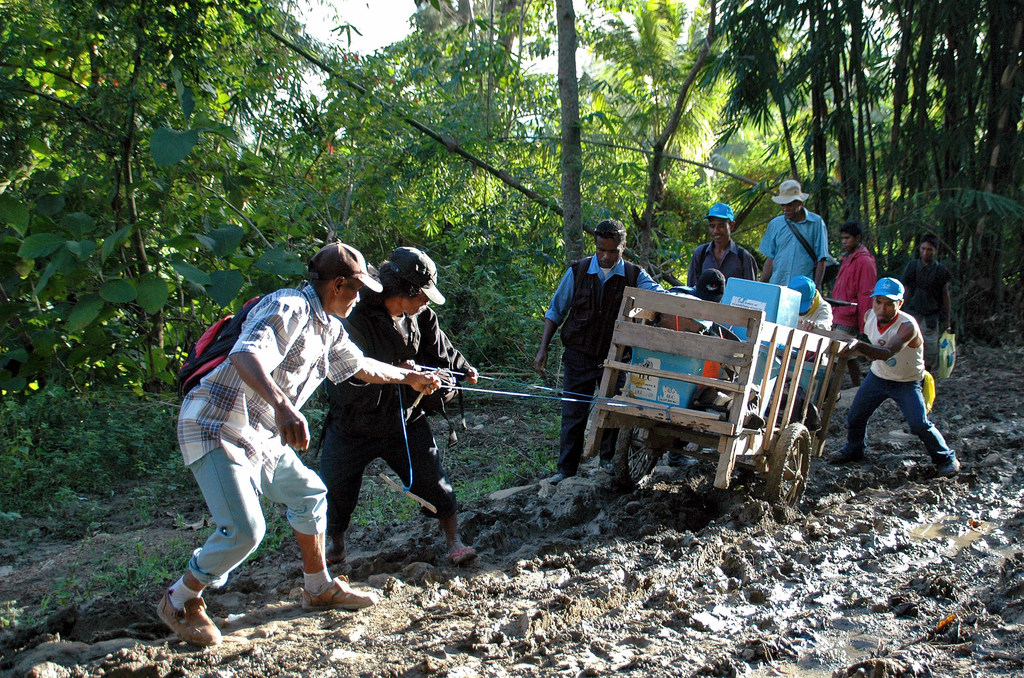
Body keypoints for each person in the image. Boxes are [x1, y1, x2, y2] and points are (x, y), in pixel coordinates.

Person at [158, 242, 442, 648]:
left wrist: (408, 378)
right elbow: (246, 355)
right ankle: (180, 599)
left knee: (310, 495)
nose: (361, 297)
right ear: (337, 284)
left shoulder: (328, 326)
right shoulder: (288, 307)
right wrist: (285, 407)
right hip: (217, 424)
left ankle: (317, 586)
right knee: (244, 530)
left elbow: (359, 366)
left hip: (261, 434)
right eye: (356, 289)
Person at [320, 247, 479, 567]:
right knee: (335, 488)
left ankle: (454, 540)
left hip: (404, 419)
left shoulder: (424, 317)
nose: (426, 302)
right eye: (422, 295)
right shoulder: (356, 317)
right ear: (404, 291)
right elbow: (346, 377)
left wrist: (461, 370)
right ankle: (335, 543)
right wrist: (405, 374)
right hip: (354, 422)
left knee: (435, 481)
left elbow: (443, 352)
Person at [534, 219, 663, 484]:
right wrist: (543, 348)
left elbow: (659, 296)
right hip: (579, 353)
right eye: (600, 250)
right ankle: (566, 470)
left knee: (612, 409)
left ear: (623, 248)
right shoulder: (578, 271)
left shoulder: (634, 275)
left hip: (615, 357)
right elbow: (556, 310)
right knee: (573, 412)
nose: (605, 256)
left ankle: (607, 460)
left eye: (612, 251)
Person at [829, 278, 960, 477]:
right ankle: (854, 449)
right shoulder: (868, 317)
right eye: (878, 302)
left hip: (906, 382)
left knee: (918, 423)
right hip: (878, 376)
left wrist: (857, 346)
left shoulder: (907, 326)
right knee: (856, 414)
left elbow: (887, 351)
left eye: (890, 303)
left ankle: (946, 458)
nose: (882, 308)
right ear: (873, 301)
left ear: (900, 304)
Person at [759, 180, 830, 287]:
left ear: (800, 203)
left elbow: (822, 259)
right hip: (778, 284)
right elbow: (770, 258)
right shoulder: (775, 224)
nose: (785, 209)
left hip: (802, 288)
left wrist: (815, 290)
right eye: (783, 205)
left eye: (790, 205)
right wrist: (761, 285)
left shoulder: (816, 223)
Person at [830, 221, 877, 385]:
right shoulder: (848, 258)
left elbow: (867, 295)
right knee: (847, 355)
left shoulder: (865, 261)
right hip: (839, 313)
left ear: (858, 238)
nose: (844, 242)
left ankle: (829, 390)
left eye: (847, 238)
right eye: (842, 238)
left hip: (850, 316)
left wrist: (866, 326)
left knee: (834, 354)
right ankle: (858, 386)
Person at [901, 233, 952, 371]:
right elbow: (906, 291)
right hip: (912, 314)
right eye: (923, 249)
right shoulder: (912, 267)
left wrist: (947, 319)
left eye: (929, 249)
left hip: (930, 317)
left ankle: (926, 381)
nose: (925, 252)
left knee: (929, 352)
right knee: (909, 350)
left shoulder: (941, 270)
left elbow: (945, 295)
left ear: (935, 250)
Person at [687, 202, 758, 286]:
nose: (716, 231)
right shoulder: (700, 254)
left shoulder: (743, 257)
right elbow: (691, 288)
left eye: (721, 226)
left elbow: (750, 291)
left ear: (731, 226)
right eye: (712, 226)